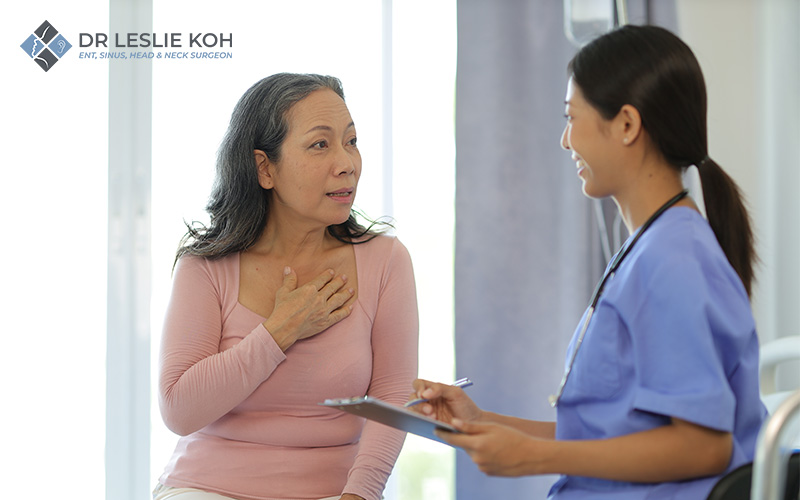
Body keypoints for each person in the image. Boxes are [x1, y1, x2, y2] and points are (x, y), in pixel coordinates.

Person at [411, 25, 767, 499]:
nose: (564, 140)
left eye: (571, 117)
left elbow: (703, 448)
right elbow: (609, 439)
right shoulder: (650, 247)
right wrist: (481, 421)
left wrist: (534, 457)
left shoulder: (674, 259)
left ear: (626, 125)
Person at [154, 73, 419, 500]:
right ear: (265, 168)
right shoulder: (205, 266)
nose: (347, 161)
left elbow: (392, 395)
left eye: (351, 141)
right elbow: (179, 410)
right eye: (320, 144)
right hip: (208, 488)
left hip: (338, 491)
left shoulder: (386, 260)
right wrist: (279, 330)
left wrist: (360, 494)